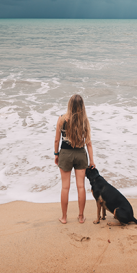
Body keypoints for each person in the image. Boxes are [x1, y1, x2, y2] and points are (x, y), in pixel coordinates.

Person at [53, 94, 96, 224]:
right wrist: (92, 161)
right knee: (81, 187)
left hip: (65, 154)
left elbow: (56, 139)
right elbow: (88, 143)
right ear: (82, 106)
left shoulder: (61, 119)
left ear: (69, 105)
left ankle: (64, 218)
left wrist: (56, 154)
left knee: (65, 187)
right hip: (80, 154)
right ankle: (81, 217)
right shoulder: (84, 120)